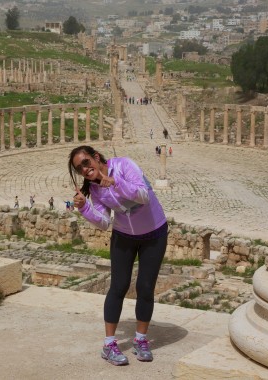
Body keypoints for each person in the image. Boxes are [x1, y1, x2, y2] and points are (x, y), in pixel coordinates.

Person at [68, 145, 168, 366]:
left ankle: (141, 339)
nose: (84, 169)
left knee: (145, 286)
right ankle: (109, 344)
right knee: (118, 286)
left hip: (155, 233)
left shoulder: (124, 165)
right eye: (79, 168)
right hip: (124, 236)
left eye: (86, 162)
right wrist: (85, 208)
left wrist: (116, 183)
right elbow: (104, 223)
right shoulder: (94, 189)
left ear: (96, 157)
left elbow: (143, 195)